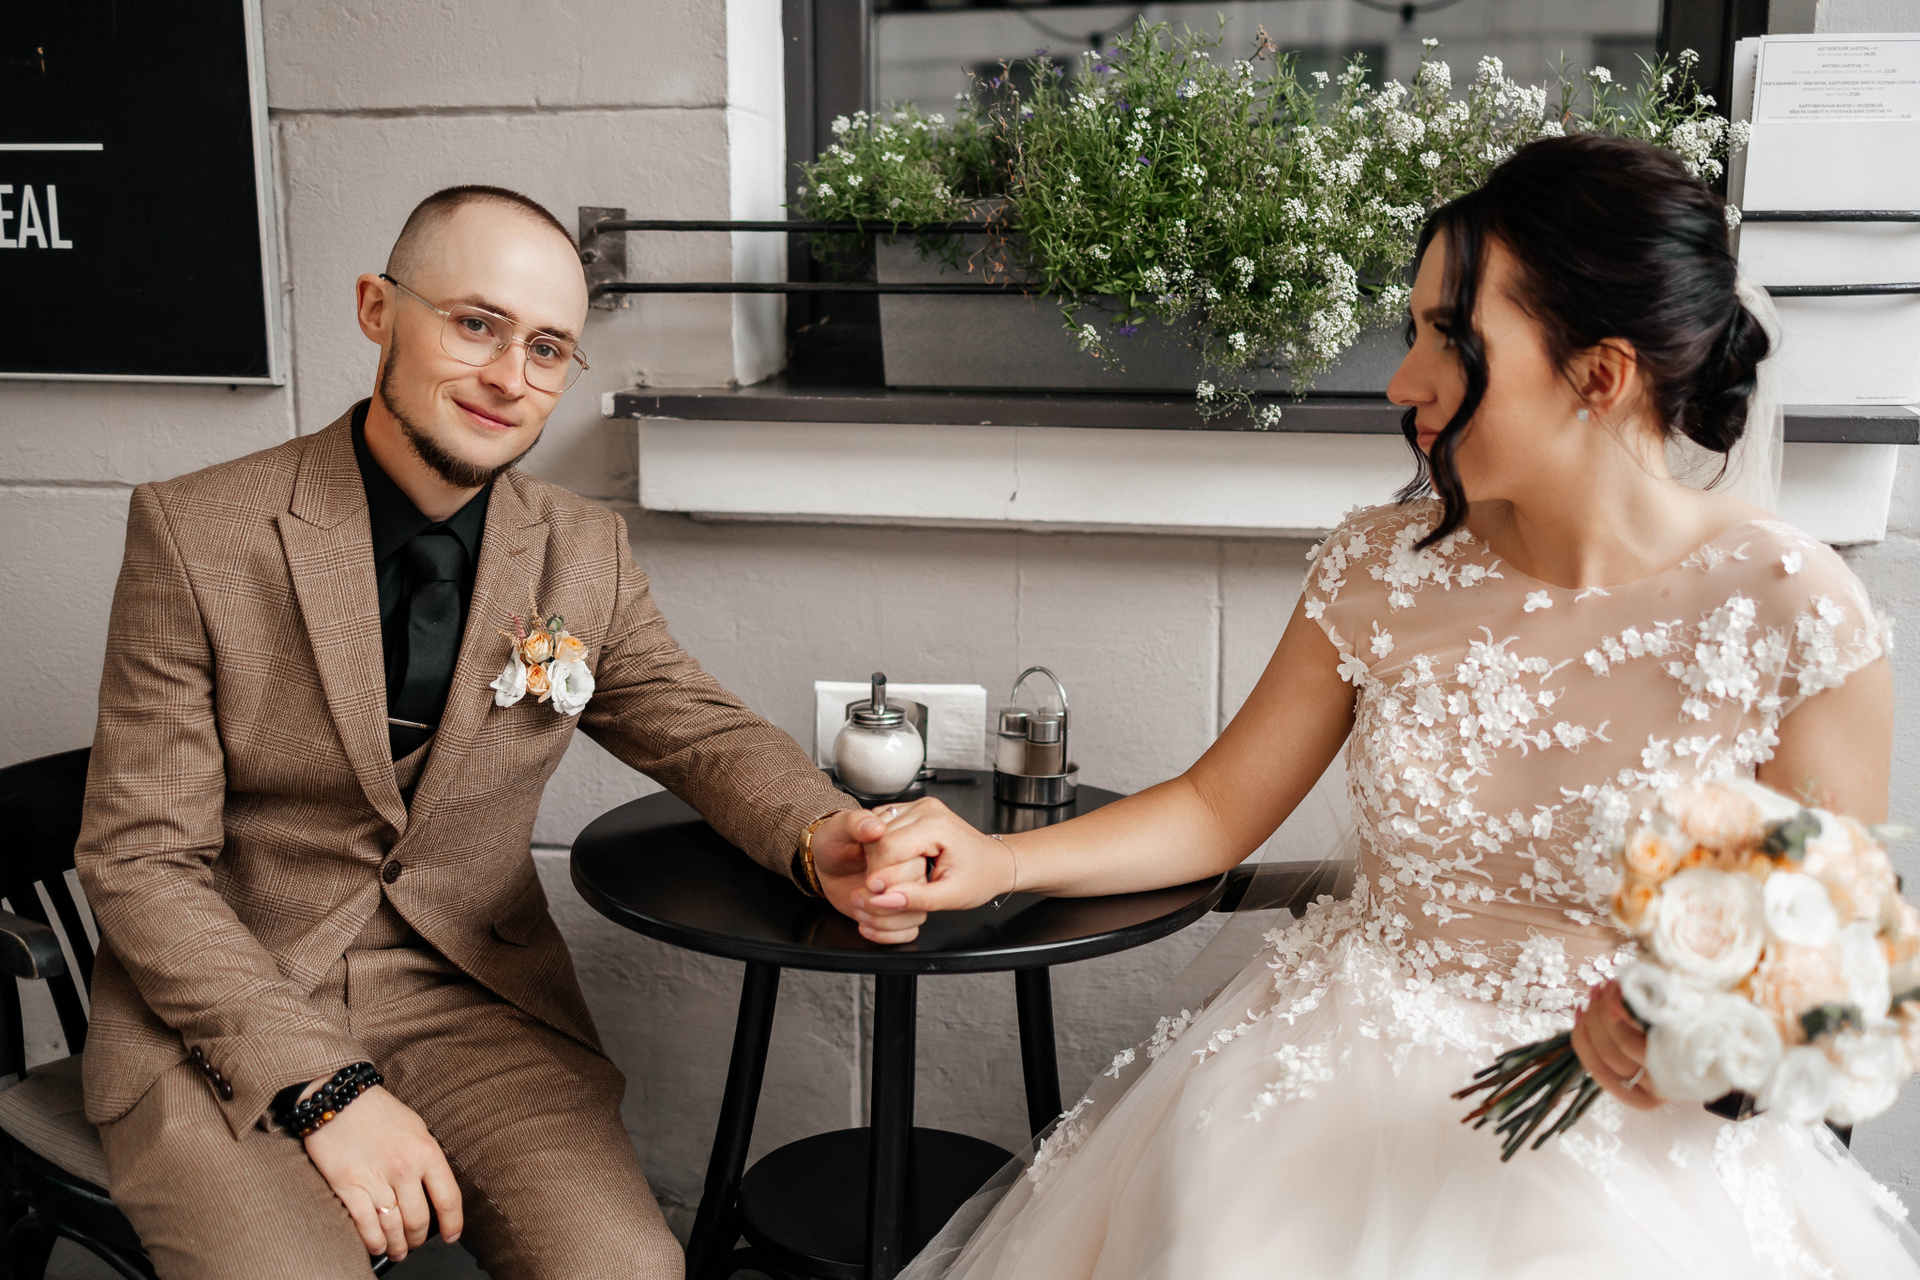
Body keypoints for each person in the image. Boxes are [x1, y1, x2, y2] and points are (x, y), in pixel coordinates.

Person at [851, 136, 1920, 1277]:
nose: (1404, 380)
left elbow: (1821, 982)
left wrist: (1696, 1053)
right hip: (1327, 1077)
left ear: (1600, 374)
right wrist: (999, 862)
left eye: (1449, 338)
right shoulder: (1379, 566)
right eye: (1412, 331)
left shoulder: (1797, 614)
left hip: (1636, 1147)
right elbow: (1214, 808)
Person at [75, 184, 925, 1280]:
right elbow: (141, 859)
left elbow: (698, 729)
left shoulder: (583, 549)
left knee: (629, 1269)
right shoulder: (196, 530)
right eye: (476, 323)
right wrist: (324, 1085)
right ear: (378, 308)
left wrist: (822, 833)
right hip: (220, 1010)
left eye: (547, 348)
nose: (509, 377)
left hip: (465, 996)